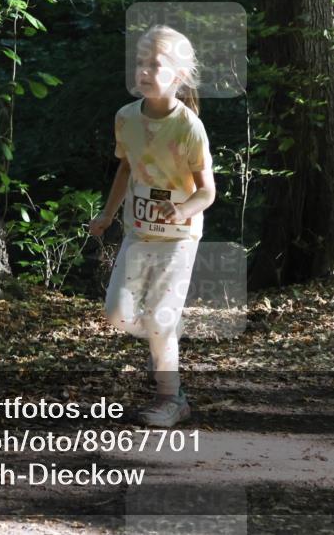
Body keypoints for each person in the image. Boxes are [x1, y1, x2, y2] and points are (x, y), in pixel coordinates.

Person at [89, 24, 215, 428]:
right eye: (140, 63)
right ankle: (166, 333)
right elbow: (125, 167)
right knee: (117, 315)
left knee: (160, 320)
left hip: (180, 238)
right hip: (137, 233)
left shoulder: (188, 127)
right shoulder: (125, 118)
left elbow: (207, 192)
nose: (144, 71)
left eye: (155, 64)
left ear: (177, 76)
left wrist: (182, 212)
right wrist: (107, 214)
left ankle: (171, 397)